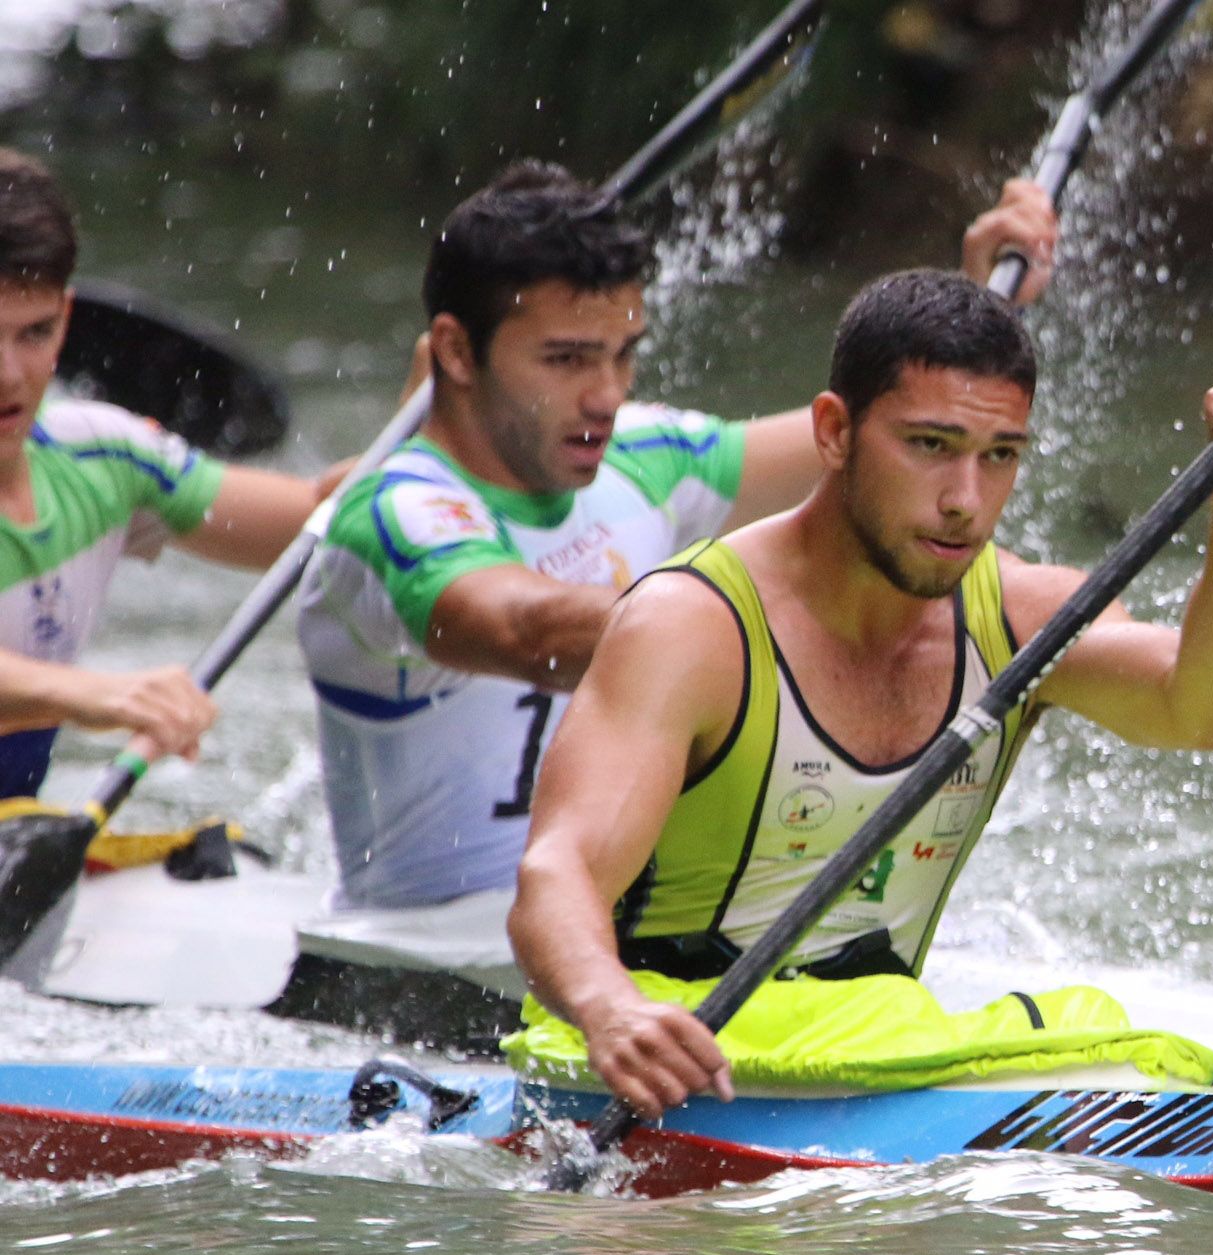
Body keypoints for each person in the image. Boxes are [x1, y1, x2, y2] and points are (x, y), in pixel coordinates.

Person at [285, 163, 1061, 1047]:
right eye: (567, 359)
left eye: (623, 354)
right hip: (417, 988)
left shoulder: (642, 452)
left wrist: (972, 307)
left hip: (626, 952)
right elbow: (525, 626)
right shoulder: (393, 515)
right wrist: (736, 641)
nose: (605, 395)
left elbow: (870, 450)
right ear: (457, 354)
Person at [507, 269, 1213, 1117]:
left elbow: (1209, 711)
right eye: (930, 446)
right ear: (834, 431)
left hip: (878, 1055)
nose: (966, 501)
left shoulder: (1025, 616)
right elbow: (558, 873)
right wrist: (609, 1009)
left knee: (1095, 1025)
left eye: (999, 457)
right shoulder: (692, 627)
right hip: (671, 1063)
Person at [0, 148, 325, 798]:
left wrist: (430, 451)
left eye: (33, 334)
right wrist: (94, 693)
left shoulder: (100, 455)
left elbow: (322, 519)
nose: (8, 375)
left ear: (65, 321)